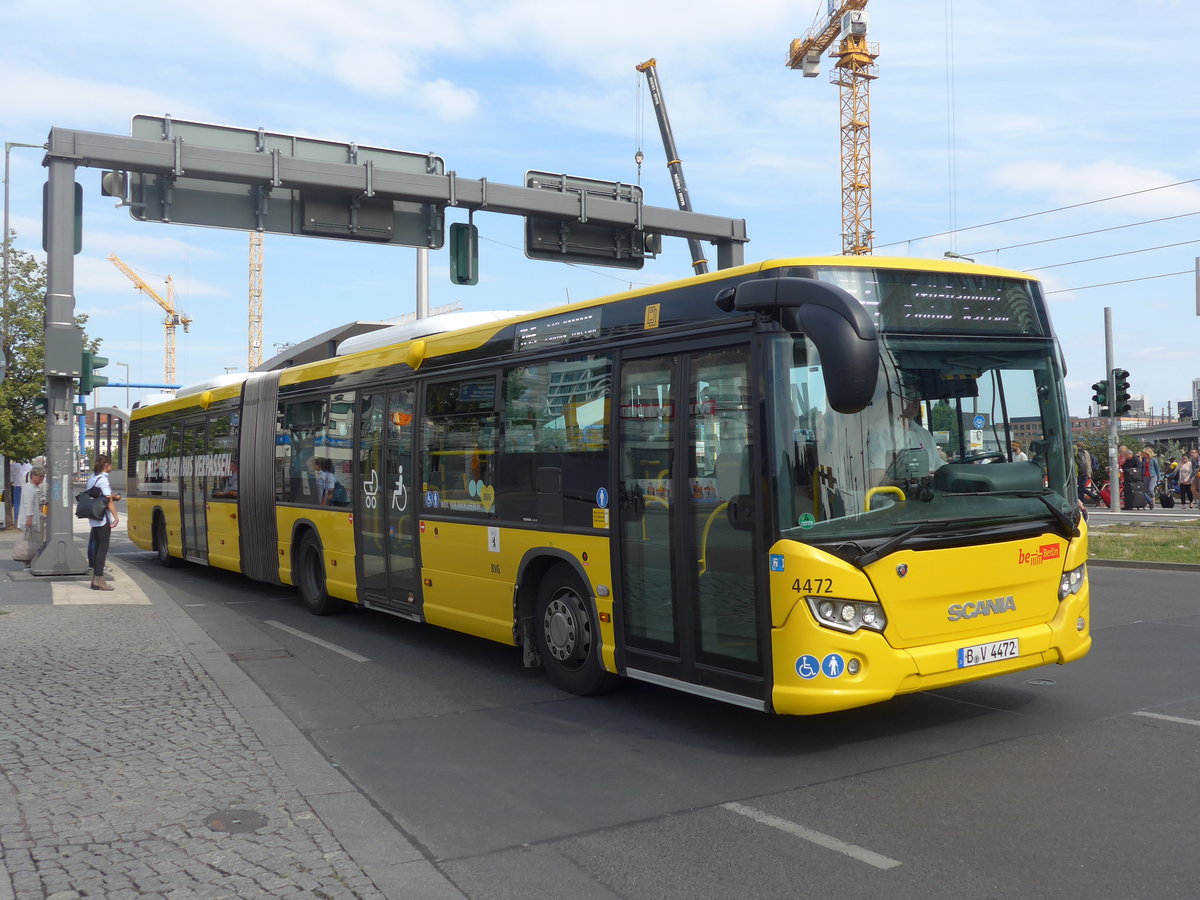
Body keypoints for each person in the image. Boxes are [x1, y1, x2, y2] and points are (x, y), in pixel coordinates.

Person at [86, 454, 120, 591]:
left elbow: (96, 496)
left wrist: (111, 497)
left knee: (96, 547)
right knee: (102, 549)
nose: (112, 467)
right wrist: (116, 516)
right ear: (106, 465)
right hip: (102, 519)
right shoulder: (103, 480)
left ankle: (95, 580)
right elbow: (107, 500)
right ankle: (100, 579)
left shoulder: (92, 479)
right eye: (111, 464)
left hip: (94, 517)